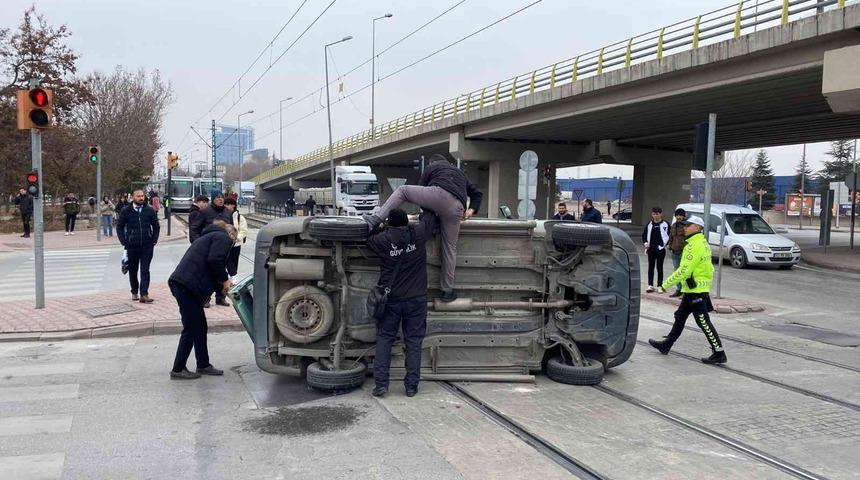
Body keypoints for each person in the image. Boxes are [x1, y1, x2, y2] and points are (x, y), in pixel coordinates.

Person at [364, 154, 483, 303]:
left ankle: (375, 219)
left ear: (431, 163)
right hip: (457, 208)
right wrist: (471, 210)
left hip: (439, 195)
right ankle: (447, 291)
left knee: (403, 191)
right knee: (450, 247)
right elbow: (477, 193)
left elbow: (422, 192)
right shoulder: (459, 173)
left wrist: (429, 215)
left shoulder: (432, 167)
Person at [366, 208, 437, 398]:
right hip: (416, 300)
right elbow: (430, 218)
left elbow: (369, 233)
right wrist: (421, 215)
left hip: (391, 300)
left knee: (385, 339)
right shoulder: (418, 234)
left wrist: (380, 226)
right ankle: (411, 387)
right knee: (413, 342)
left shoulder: (383, 240)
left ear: (389, 224)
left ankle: (381, 385)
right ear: (407, 222)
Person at [648, 215, 726, 364]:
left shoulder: (694, 245)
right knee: (680, 316)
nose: (684, 227)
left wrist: (664, 285)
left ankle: (719, 352)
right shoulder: (701, 242)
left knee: (703, 321)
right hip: (693, 289)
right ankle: (666, 345)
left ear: (697, 227)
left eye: (688, 225)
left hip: (696, 290)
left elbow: (684, 270)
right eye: (684, 225)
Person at [168, 221, 236, 379]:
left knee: (199, 327)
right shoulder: (222, 237)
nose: (233, 243)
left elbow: (209, 268)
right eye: (234, 239)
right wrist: (225, 280)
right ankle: (178, 369)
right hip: (187, 286)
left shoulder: (209, 237)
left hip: (185, 285)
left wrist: (222, 288)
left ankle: (203, 364)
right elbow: (215, 260)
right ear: (231, 234)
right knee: (191, 328)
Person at [190, 191, 233, 307]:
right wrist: (197, 242)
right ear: (213, 199)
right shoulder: (205, 211)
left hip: (222, 248)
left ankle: (220, 297)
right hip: (207, 248)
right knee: (206, 274)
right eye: (218, 197)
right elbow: (194, 228)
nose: (220, 199)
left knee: (221, 271)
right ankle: (205, 298)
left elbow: (231, 228)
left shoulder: (227, 212)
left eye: (222, 197)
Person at [117, 189, 160, 303]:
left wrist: (154, 240)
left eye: (142, 196)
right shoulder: (126, 211)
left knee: (145, 270)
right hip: (132, 245)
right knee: (133, 270)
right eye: (138, 196)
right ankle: (134, 291)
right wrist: (124, 241)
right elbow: (119, 227)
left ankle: (144, 293)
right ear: (133, 197)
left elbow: (156, 226)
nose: (141, 198)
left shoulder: (149, 210)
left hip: (147, 245)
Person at [642, 206, 670, 293]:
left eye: (657, 214)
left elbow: (670, 236)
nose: (655, 216)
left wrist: (664, 245)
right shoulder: (649, 224)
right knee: (651, 267)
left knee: (659, 267)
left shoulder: (666, 224)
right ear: (652, 214)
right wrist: (646, 243)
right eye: (654, 214)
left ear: (661, 214)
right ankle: (650, 285)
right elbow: (644, 235)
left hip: (661, 249)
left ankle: (659, 286)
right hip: (651, 249)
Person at [223, 197, 248, 280]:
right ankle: (232, 277)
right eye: (225, 204)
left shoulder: (239, 217)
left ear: (233, 205)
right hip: (224, 244)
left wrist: (237, 238)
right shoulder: (222, 215)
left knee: (234, 262)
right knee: (227, 260)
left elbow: (243, 230)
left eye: (228, 204)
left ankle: (232, 279)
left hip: (236, 244)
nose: (226, 206)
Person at [667, 208, 687, 298]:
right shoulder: (674, 225)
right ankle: (678, 289)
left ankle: (686, 291)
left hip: (684, 252)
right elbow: (671, 237)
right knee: (677, 272)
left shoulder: (686, 226)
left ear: (683, 216)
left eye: (680, 215)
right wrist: (670, 246)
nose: (678, 217)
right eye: (677, 215)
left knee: (685, 272)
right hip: (674, 252)